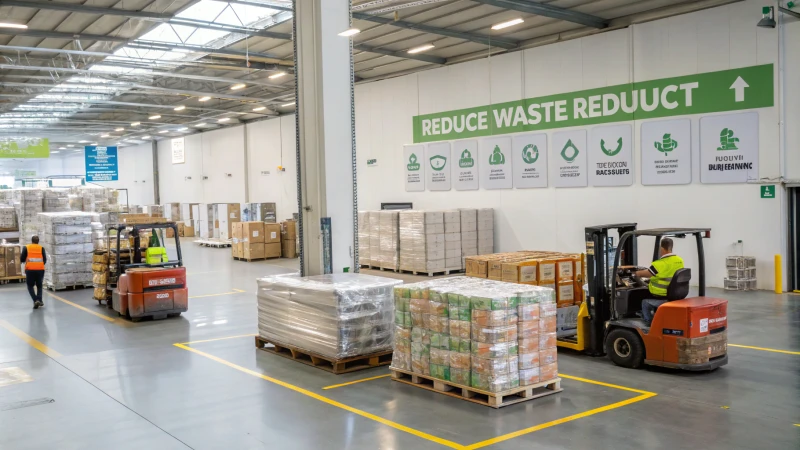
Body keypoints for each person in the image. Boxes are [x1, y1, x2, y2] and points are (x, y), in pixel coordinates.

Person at [633, 238, 684, 326]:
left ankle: (648, 322)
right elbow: (667, 273)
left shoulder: (659, 263)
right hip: (675, 292)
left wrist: (636, 273)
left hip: (662, 294)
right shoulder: (679, 260)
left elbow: (648, 273)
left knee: (644, 302)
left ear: (662, 249)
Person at [21, 235, 47, 309]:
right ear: (38, 241)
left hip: (30, 269)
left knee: (30, 286)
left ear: (31, 241)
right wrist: (39, 265)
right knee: (39, 285)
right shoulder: (41, 248)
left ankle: (35, 300)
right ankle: (39, 300)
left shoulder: (26, 247)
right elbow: (44, 259)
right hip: (40, 269)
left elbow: (22, 258)